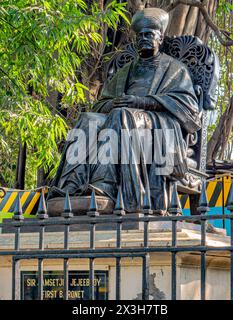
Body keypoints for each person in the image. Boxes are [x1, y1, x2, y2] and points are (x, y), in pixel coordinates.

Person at [47, 8, 201, 214]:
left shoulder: (175, 69)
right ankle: (71, 185)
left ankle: (105, 186)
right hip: (122, 118)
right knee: (87, 119)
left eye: (149, 34)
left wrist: (142, 102)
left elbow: (189, 110)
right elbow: (101, 104)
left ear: (160, 38)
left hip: (158, 124)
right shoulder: (125, 71)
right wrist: (114, 103)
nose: (143, 39)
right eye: (140, 36)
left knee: (122, 116)